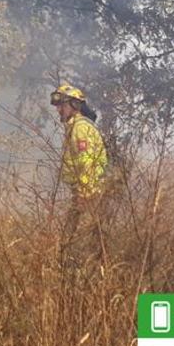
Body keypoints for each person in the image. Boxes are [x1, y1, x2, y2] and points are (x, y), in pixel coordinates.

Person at [51, 83, 108, 264]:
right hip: (86, 190)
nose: (59, 110)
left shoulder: (80, 128)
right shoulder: (75, 126)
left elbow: (86, 162)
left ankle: (79, 267)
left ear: (74, 106)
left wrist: (84, 192)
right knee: (85, 234)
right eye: (58, 106)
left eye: (62, 105)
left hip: (88, 191)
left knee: (77, 236)